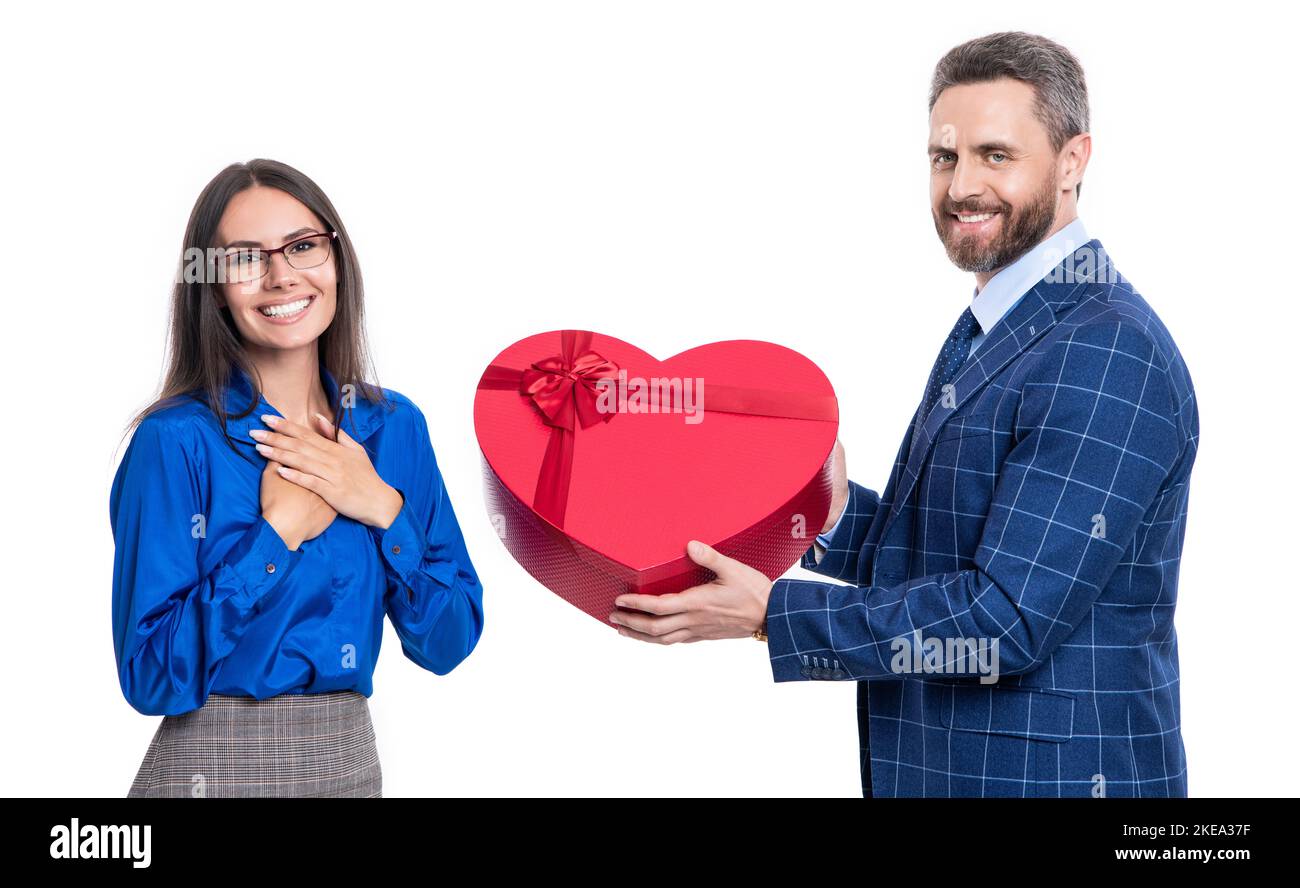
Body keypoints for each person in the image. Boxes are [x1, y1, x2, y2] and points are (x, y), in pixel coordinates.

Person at [608, 32, 1198, 798]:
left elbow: (1003, 620)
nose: (962, 187)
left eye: (996, 155)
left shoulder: (1107, 348)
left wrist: (773, 616)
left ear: (1074, 160)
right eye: (944, 158)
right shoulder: (1004, 323)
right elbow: (944, 559)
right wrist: (815, 504)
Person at [111, 158, 484, 797]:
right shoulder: (175, 441)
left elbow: (447, 641)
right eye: (245, 258)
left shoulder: (394, 430)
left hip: (351, 768)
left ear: (336, 259)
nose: (282, 276)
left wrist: (384, 508)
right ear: (213, 284)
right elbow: (151, 674)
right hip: (213, 773)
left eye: (304, 246)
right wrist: (275, 536)